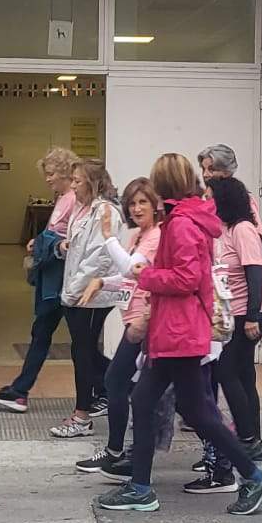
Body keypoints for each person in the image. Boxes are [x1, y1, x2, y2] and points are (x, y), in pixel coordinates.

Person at [97, 154, 262, 516]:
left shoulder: (180, 224)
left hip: (178, 331)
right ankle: (144, 486)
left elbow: (185, 278)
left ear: (163, 184)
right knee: (172, 405)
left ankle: (248, 476)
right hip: (177, 330)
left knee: (183, 408)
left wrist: (144, 276)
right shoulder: (188, 219)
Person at [75, 177, 163, 480]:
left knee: (116, 380)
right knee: (140, 391)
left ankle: (118, 455)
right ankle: (125, 457)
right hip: (134, 320)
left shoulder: (155, 237)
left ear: (155, 205)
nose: (136, 208)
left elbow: (130, 268)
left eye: (143, 202)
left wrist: (108, 236)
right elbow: (128, 278)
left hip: (144, 322)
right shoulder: (140, 235)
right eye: (132, 203)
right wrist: (102, 282)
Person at [0, 146, 81, 413]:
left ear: (64, 172)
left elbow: (70, 239)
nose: (47, 179)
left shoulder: (72, 200)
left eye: (51, 174)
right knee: (45, 334)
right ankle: (20, 390)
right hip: (57, 277)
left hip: (61, 279)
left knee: (72, 341)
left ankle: (114, 385)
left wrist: (42, 243)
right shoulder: (64, 197)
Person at [197, 175, 262, 489]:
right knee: (241, 373)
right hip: (234, 312)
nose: (206, 201)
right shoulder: (222, 229)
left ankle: (246, 438)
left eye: (210, 196)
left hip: (252, 312)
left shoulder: (243, 229)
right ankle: (251, 439)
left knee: (227, 372)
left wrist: (252, 317)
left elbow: (255, 274)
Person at [50, 160, 126, 439]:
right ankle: (119, 387)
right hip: (76, 290)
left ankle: (82, 414)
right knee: (83, 350)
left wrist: (73, 290)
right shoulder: (82, 209)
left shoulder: (105, 211)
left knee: (83, 351)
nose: (72, 185)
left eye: (78, 181)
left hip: (91, 295)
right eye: (71, 180)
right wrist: (63, 247)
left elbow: (99, 258)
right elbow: (80, 248)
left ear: (93, 183)